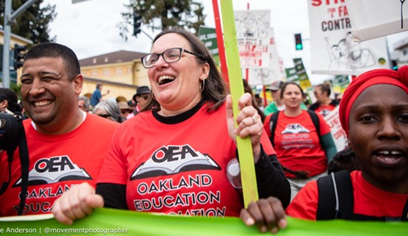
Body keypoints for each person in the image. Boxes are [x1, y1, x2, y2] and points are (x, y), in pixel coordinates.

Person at [52, 29, 291, 224]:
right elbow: (110, 213)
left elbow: (278, 199)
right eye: (153, 58)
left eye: (173, 54)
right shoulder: (127, 131)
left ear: (203, 70)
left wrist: (251, 151)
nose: (159, 64)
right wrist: (83, 202)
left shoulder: (233, 116)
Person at [241, 66, 408, 232]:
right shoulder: (318, 199)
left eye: (405, 118)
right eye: (369, 118)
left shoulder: (314, 117)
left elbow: (329, 145)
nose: (388, 131)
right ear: (349, 137)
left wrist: (329, 168)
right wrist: (262, 227)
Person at [0, 43, 117, 219]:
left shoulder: (117, 137)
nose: (34, 90)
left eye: (48, 78)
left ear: (77, 84)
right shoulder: (1, 140)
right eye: (27, 81)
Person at [263, 82, 337, 201]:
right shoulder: (271, 119)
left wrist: (332, 170)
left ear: (302, 97)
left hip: (319, 178)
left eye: (297, 93)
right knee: (293, 216)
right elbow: (266, 150)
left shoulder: (315, 117)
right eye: (289, 93)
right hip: (287, 181)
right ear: (281, 98)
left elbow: (330, 146)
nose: (293, 96)